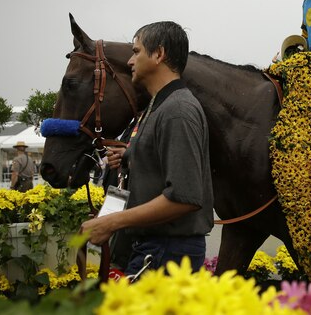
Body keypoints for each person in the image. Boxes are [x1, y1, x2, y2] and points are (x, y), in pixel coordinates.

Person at [81, 21, 214, 274]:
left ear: (159, 54)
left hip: (167, 252)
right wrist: (132, 155)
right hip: (155, 248)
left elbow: (184, 197)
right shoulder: (159, 106)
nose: (130, 61)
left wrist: (111, 222)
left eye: (136, 51)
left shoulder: (177, 111)